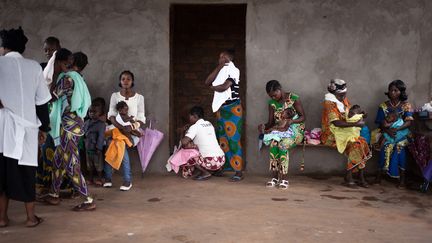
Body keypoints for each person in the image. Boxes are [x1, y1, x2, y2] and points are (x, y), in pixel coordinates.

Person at [0, 27, 51, 227]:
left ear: (3, 46)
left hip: (1, 127)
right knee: (27, 171)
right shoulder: (34, 67)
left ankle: (2, 218)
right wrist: (44, 129)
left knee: (2, 171)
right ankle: (31, 218)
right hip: (27, 128)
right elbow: (42, 103)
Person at [43, 48, 95, 211]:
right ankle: (53, 194)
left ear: (71, 62)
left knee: (71, 162)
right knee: (59, 159)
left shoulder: (66, 79)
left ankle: (88, 199)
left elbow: (51, 97)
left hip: (67, 126)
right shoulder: (79, 79)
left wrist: (48, 80)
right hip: (75, 125)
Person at [321, 79, 371, 188]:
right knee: (356, 145)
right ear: (334, 93)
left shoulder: (343, 100)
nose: (344, 97)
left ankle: (359, 175)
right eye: (341, 95)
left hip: (344, 130)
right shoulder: (329, 103)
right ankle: (349, 176)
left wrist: (360, 115)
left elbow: (350, 114)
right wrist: (356, 124)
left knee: (362, 142)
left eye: (345, 94)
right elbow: (336, 122)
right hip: (331, 134)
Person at [258, 80, 306, 189]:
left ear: (280, 90)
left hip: (295, 131)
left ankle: (284, 179)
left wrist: (291, 122)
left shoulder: (294, 98)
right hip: (280, 131)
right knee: (273, 144)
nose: (273, 98)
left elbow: (303, 117)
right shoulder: (272, 103)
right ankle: (275, 177)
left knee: (282, 145)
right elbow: (270, 122)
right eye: (271, 96)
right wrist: (263, 126)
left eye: (275, 95)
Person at [204, 49, 244, 182]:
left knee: (234, 140)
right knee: (223, 140)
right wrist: (220, 66)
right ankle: (223, 167)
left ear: (229, 58)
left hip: (233, 109)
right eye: (219, 56)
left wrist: (213, 88)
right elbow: (207, 81)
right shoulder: (221, 70)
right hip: (221, 110)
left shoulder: (234, 70)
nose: (220, 58)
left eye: (223, 56)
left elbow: (224, 86)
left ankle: (238, 171)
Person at [104, 70, 145, 191]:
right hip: (116, 128)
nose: (125, 81)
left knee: (118, 144)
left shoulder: (139, 98)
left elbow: (141, 118)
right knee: (114, 143)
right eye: (123, 79)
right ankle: (126, 180)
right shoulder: (115, 96)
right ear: (120, 81)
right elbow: (111, 115)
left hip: (132, 131)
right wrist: (121, 127)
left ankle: (112, 178)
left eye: (128, 79)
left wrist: (130, 128)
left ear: (132, 81)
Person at [374, 80, 413, 187]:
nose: (393, 92)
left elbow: (409, 122)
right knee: (385, 147)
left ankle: (402, 179)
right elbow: (380, 123)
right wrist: (388, 131)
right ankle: (378, 176)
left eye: (396, 90)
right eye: (391, 90)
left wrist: (397, 129)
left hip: (402, 134)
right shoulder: (383, 106)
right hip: (387, 133)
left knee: (400, 150)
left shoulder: (406, 105)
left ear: (401, 91)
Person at [178, 106, 226, 180]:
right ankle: (217, 170)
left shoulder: (194, 127)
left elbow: (184, 143)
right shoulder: (209, 124)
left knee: (185, 152)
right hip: (221, 160)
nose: (189, 119)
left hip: (211, 160)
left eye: (190, 116)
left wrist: (182, 132)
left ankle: (205, 172)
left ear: (195, 116)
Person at [83, 101, 106, 186]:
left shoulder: (101, 124)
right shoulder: (86, 123)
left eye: (94, 112)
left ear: (100, 113)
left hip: (96, 148)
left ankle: (99, 179)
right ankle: (90, 178)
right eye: (90, 112)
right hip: (88, 146)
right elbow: (83, 134)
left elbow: (101, 137)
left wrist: (99, 148)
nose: (92, 113)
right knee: (89, 164)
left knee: (98, 164)